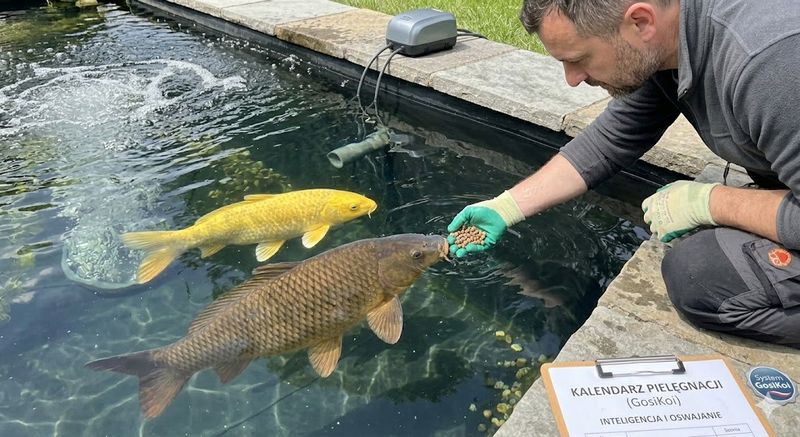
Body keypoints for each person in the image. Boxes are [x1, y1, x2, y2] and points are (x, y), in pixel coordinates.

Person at [447, 0, 800, 348]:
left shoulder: (771, 63)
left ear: (641, 21)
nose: (572, 80)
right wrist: (505, 207)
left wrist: (713, 202)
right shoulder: (668, 41)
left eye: (578, 59)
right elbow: (612, 139)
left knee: (700, 277)